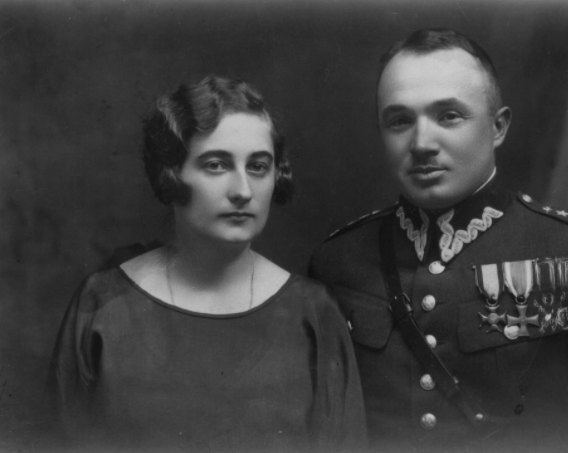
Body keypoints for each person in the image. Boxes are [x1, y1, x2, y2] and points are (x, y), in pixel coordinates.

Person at [309, 29, 568, 451]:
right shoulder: (337, 263)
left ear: (498, 127)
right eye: (400, 121)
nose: (422, 143)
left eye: (449, 116)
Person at [45, 75, 366, 452]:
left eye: (258, 167)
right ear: (171, 173)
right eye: (216, 165)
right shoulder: (101, 305)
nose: (242, 191)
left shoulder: (313, 313)